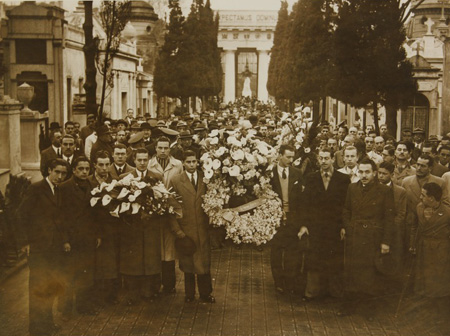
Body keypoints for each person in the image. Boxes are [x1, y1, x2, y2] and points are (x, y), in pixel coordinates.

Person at [339, 158, 395, 319]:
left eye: (367, 172)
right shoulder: (352, 188)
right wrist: (349, 227)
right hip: (355, 235)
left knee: (369, 273)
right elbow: (346, 210)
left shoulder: (384, 190)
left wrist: (386, 242)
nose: (364, 175)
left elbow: (389, 218)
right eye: (361, 172)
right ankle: (349, 305)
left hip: (373, 237)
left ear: (374, 173)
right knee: (351, 271)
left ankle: (368, 308)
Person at [18, 159, 68, 336]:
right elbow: (22, 215)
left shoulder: (59, 190)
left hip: (54, 249)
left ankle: (47, 323)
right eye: (57, 172)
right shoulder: (36, 189)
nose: (60, 176)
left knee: (51, 287)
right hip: (39, 248)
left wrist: (64, 241)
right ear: (49, 171)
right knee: (38, 287)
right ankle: (36, 329)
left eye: (63, 173)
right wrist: (25, 242)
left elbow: (59, 219)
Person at [299, 148, 350, 300]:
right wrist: (305, 225)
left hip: (335, 227)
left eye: (326, 158)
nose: (323, 161)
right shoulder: (311, 178)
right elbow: (305, 203)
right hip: (316, 226)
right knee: (314, 258)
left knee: (334, 259)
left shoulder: (343, 179)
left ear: (332, 159)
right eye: (321, 158)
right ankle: (312, 292)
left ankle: (334, 292)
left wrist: (343, 226)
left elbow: (346, 205)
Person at [169, 151, 215, 303]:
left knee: (204, 263)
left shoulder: (206, 178)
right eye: (188, 162)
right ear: (183, 163)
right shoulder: (176, 181)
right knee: (188, 264)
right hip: (186, 228)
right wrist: (177, 230)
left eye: (194, 161)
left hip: (202, 228)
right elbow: (171, 208)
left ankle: (206, 293)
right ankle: (189, 294)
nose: (191, 165)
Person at [119, 148, 163, 305]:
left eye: (145, 160)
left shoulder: (156, 177)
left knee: (150, 258)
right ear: (134, 160)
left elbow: (162, 199)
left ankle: (149, 291)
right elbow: (121, 203)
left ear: (149, 160)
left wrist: (154, 211)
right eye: (139, 160)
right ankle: (132, 293)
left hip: (151, 225)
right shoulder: (126, 178)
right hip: (133, 226)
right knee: (134, 260)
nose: (142, 163)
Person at [58, 156, 101, 317]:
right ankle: (65, 308)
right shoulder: (64, 188)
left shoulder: (93, 186)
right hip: (72, 238)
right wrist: (65, 240)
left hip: (88, 237)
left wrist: (97, 235)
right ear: (74, 170)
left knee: (87, 273)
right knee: (69, 273)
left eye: (87, 169)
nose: (84, 172)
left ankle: (84, 305)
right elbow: (60, 217)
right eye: (80, 169)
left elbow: (96, 214)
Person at [410, 182, 450, 328]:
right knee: (423, 280)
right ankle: (424, 313)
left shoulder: (447, 212)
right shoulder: (419, 207)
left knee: (439, 282)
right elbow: (414, 227)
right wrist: (412, 244)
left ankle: (439, 315)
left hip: (441, 252)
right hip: (423, 248)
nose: (420, 197)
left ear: (432, 198)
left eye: (423, 195)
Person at [148, 136, 183, 295]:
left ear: (170, 149)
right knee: (155, 248)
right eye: (160, 148)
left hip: (171, 210)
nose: (163, 151)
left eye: (166, 148)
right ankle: (154, 285)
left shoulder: (177, 165)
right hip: (154, 212)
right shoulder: (149, 164)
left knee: (169, 249)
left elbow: (180, 187)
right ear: (155, 148)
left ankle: (169, 285)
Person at [87, 151, 120, 305]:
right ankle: (96, 297)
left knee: (111, 263)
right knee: (96, 265)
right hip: (96, 230)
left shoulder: (116, 181)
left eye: (107, 164)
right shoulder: (89, 182)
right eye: (101, 164)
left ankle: (111, 295)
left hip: (113, 229)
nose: (105, 168)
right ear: (94, 165)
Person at [270, 144, 303, 295]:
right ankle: (278, 281)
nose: (291, 159)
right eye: (288, 156)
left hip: (293, 217)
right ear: (280, 155)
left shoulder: (297, 173)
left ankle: (290, 281)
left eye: (292, 156)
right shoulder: (269, 173)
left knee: (292, 250)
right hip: (274, 218)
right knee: (276, 250)